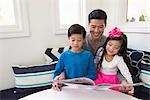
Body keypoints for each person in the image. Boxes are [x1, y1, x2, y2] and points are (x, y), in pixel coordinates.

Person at [52, 24, 96, 91]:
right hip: (68, 88)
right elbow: (57, 73)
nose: (76, 43)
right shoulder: (64, 55)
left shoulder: (88, 55)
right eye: (73, 40)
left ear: (84, 40)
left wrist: (83, 80)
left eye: (79, 40)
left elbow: (93, 74)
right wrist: (58, 79)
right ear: (69, 39)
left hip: (85, 88)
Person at [94, 27, 134, 94]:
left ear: (120, 48)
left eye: (116, 47)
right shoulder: (101, 52)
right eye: (110, 45)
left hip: (112, 80)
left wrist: (131, 87)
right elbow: (95, 64)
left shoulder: (118, 58)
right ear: (106, 43)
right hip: (99, 77)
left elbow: (125, 72)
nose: (111, 49)